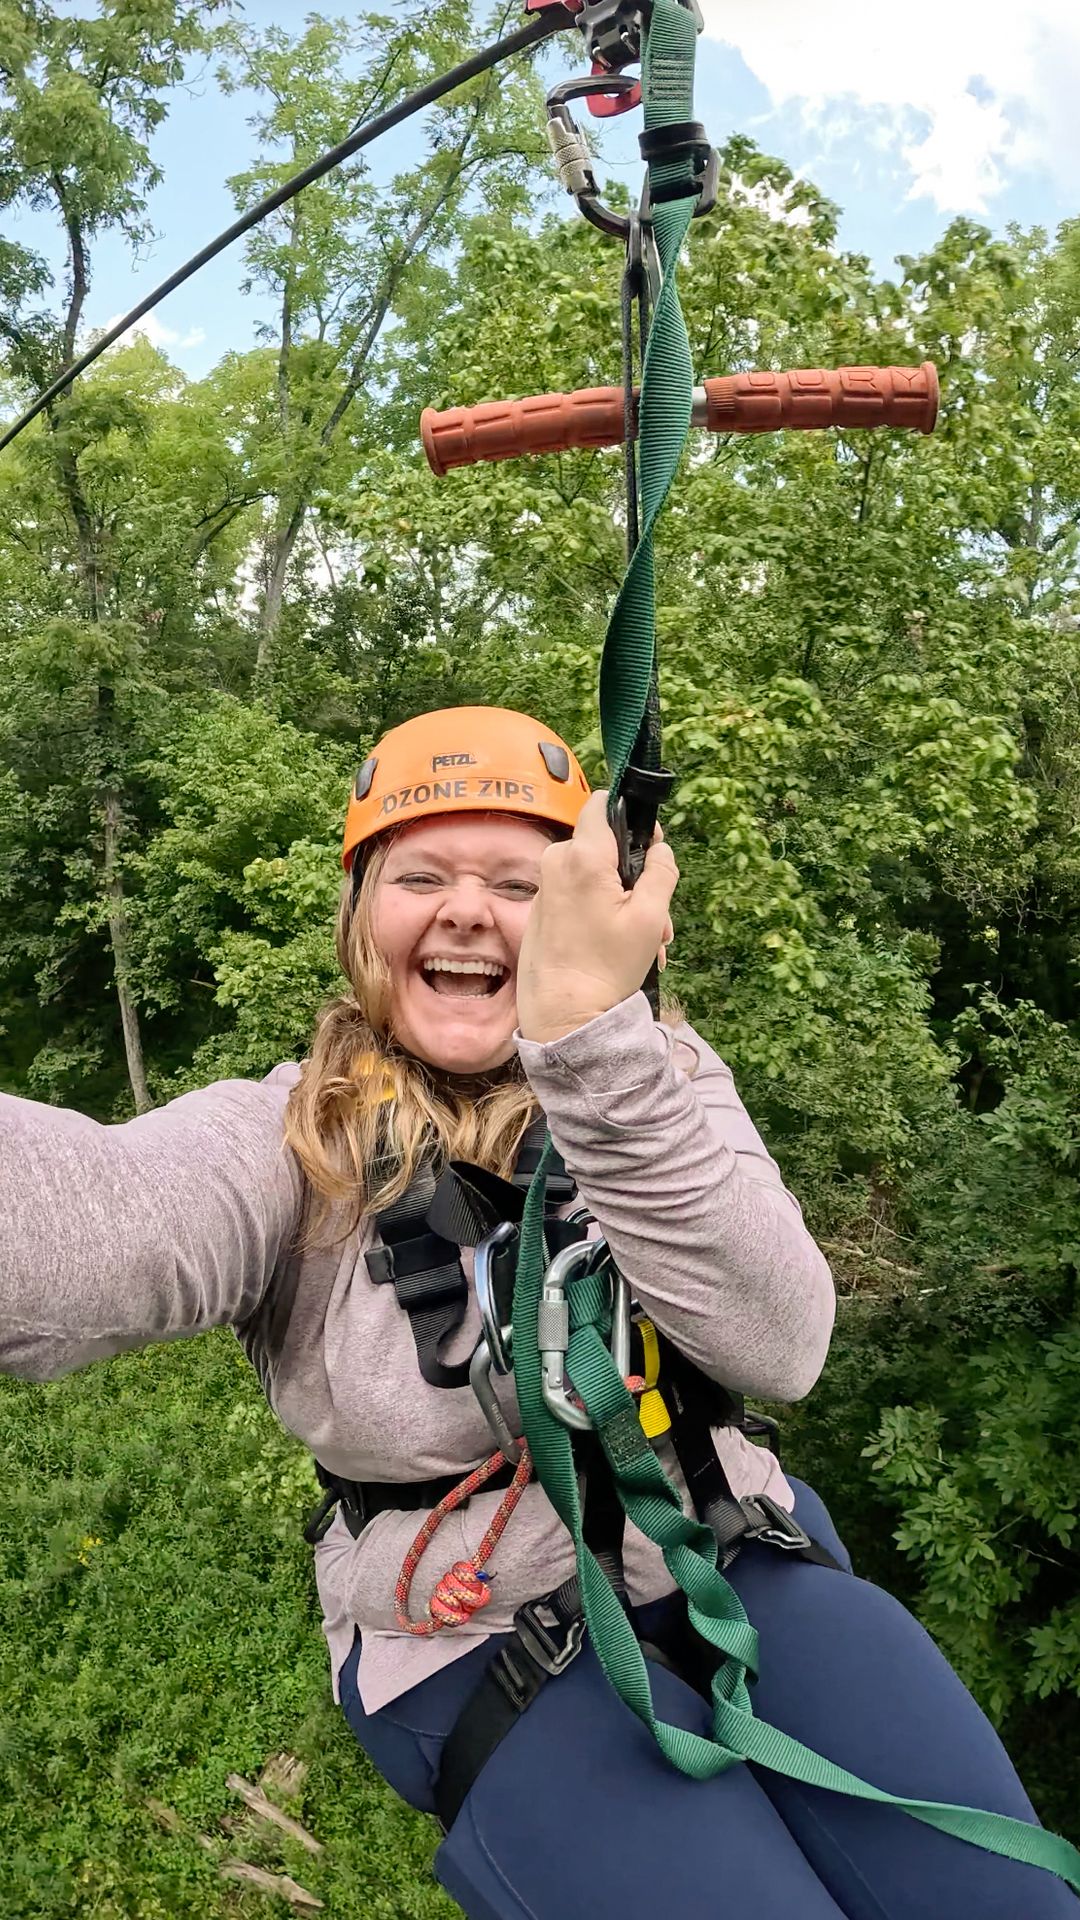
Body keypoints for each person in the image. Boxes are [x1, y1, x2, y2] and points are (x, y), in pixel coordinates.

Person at [1, 704, 1074, 1920]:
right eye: (420, 875)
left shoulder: (662, 1079)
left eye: (519, 880)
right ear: (366, 921)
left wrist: (594, 1049)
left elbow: (784, 1344)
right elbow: (84, 1221)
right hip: (474, 1635)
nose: (465, 909)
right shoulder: (288, 1143)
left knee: (1008, 1904)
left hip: (719, 1546)